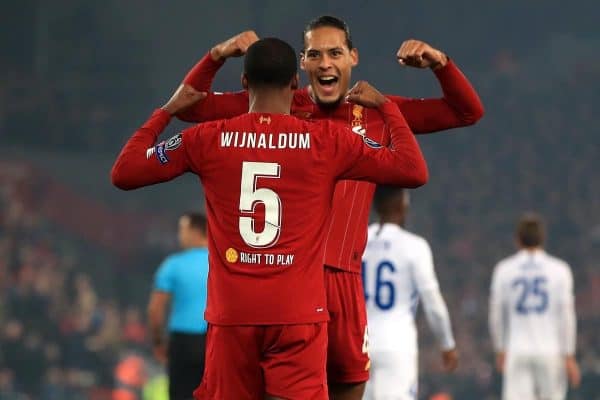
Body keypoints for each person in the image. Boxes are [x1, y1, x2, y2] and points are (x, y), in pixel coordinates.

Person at [174, 15, 483, 399]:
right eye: (315, 55)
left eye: (335, 53)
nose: (325, 63)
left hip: (343, 280)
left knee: (349, 387)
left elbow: (467, 112)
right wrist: (217, 55)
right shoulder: (282, 104)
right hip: (285, 280)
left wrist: (441, 63)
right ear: (301, 64)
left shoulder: (375, 111)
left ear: (353, 58)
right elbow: (191, 107)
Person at [111, 37, 429, 400]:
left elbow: (125, 172)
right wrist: (386, 107)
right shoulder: (327, 141)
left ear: (244, 83)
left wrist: (168, 109)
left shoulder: (208, 138)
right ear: (296, 84)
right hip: (298, 314)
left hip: (232, 316)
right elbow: (412, 169)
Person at [362, 186, 457, 400]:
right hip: (397, 343)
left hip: (359, 342)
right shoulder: (414, 246)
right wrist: (447, 344)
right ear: (403, 206)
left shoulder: (358, 240)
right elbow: (433, 302)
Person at [489, 213, 581, 400]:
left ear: (518, 240)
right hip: (550, 350)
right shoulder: (560, 270)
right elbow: (567, 316)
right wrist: (569, 354)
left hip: (517, 349)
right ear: (543, 238)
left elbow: (496, 314)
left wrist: (500, 348)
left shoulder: (504, 269)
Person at [147, 212, 209, 400]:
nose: (179, 235)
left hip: (182, 341)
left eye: (182, 229)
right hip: (214, 340)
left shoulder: (173, 265)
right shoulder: (221, 262)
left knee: (181, 394)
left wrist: (158, 342)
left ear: (195, 231)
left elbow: (155, 309)